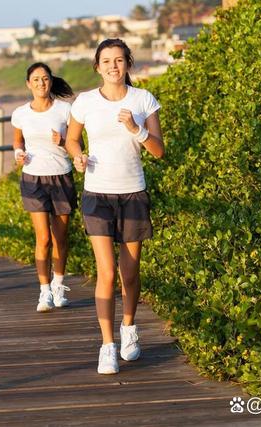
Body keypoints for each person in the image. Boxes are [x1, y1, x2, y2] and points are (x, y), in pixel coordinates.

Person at [64, 39, 164, 374]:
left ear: (128, 64)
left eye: (119, 60)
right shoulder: (86, 102)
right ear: (97, 66)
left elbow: (159, 151)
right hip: (97, 194)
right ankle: (107, 345)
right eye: (106, 61)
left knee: (130, 273)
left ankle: (129, 328)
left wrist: (136, 130)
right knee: (105, 273)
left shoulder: (143, 100)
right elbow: (72, 139)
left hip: (133, 193)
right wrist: (77, 157)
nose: (113, 66)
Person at [11, 62, 77, 312]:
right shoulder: (20, 113)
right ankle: (44, 291)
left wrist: (62, 141)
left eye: (45, 79)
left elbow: (75, 142)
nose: (41, 83)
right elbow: (18, 141)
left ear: (51, 81)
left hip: (61, 176)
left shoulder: (65, 109)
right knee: (43, 237)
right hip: (33, 178)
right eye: (36, 79)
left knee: (60, 237)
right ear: (28, 84)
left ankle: (59, 285)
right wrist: (19, 153)